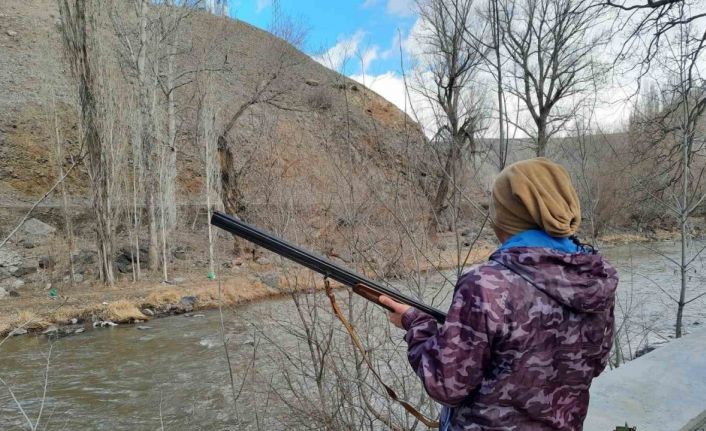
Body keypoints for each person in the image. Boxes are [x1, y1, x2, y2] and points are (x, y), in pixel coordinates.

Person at [380, 157, 618, 431]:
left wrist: (416, 324)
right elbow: (595, 363)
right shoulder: (597, 276)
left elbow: (446, 384)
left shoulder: (485, 284)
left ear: (508, 215)